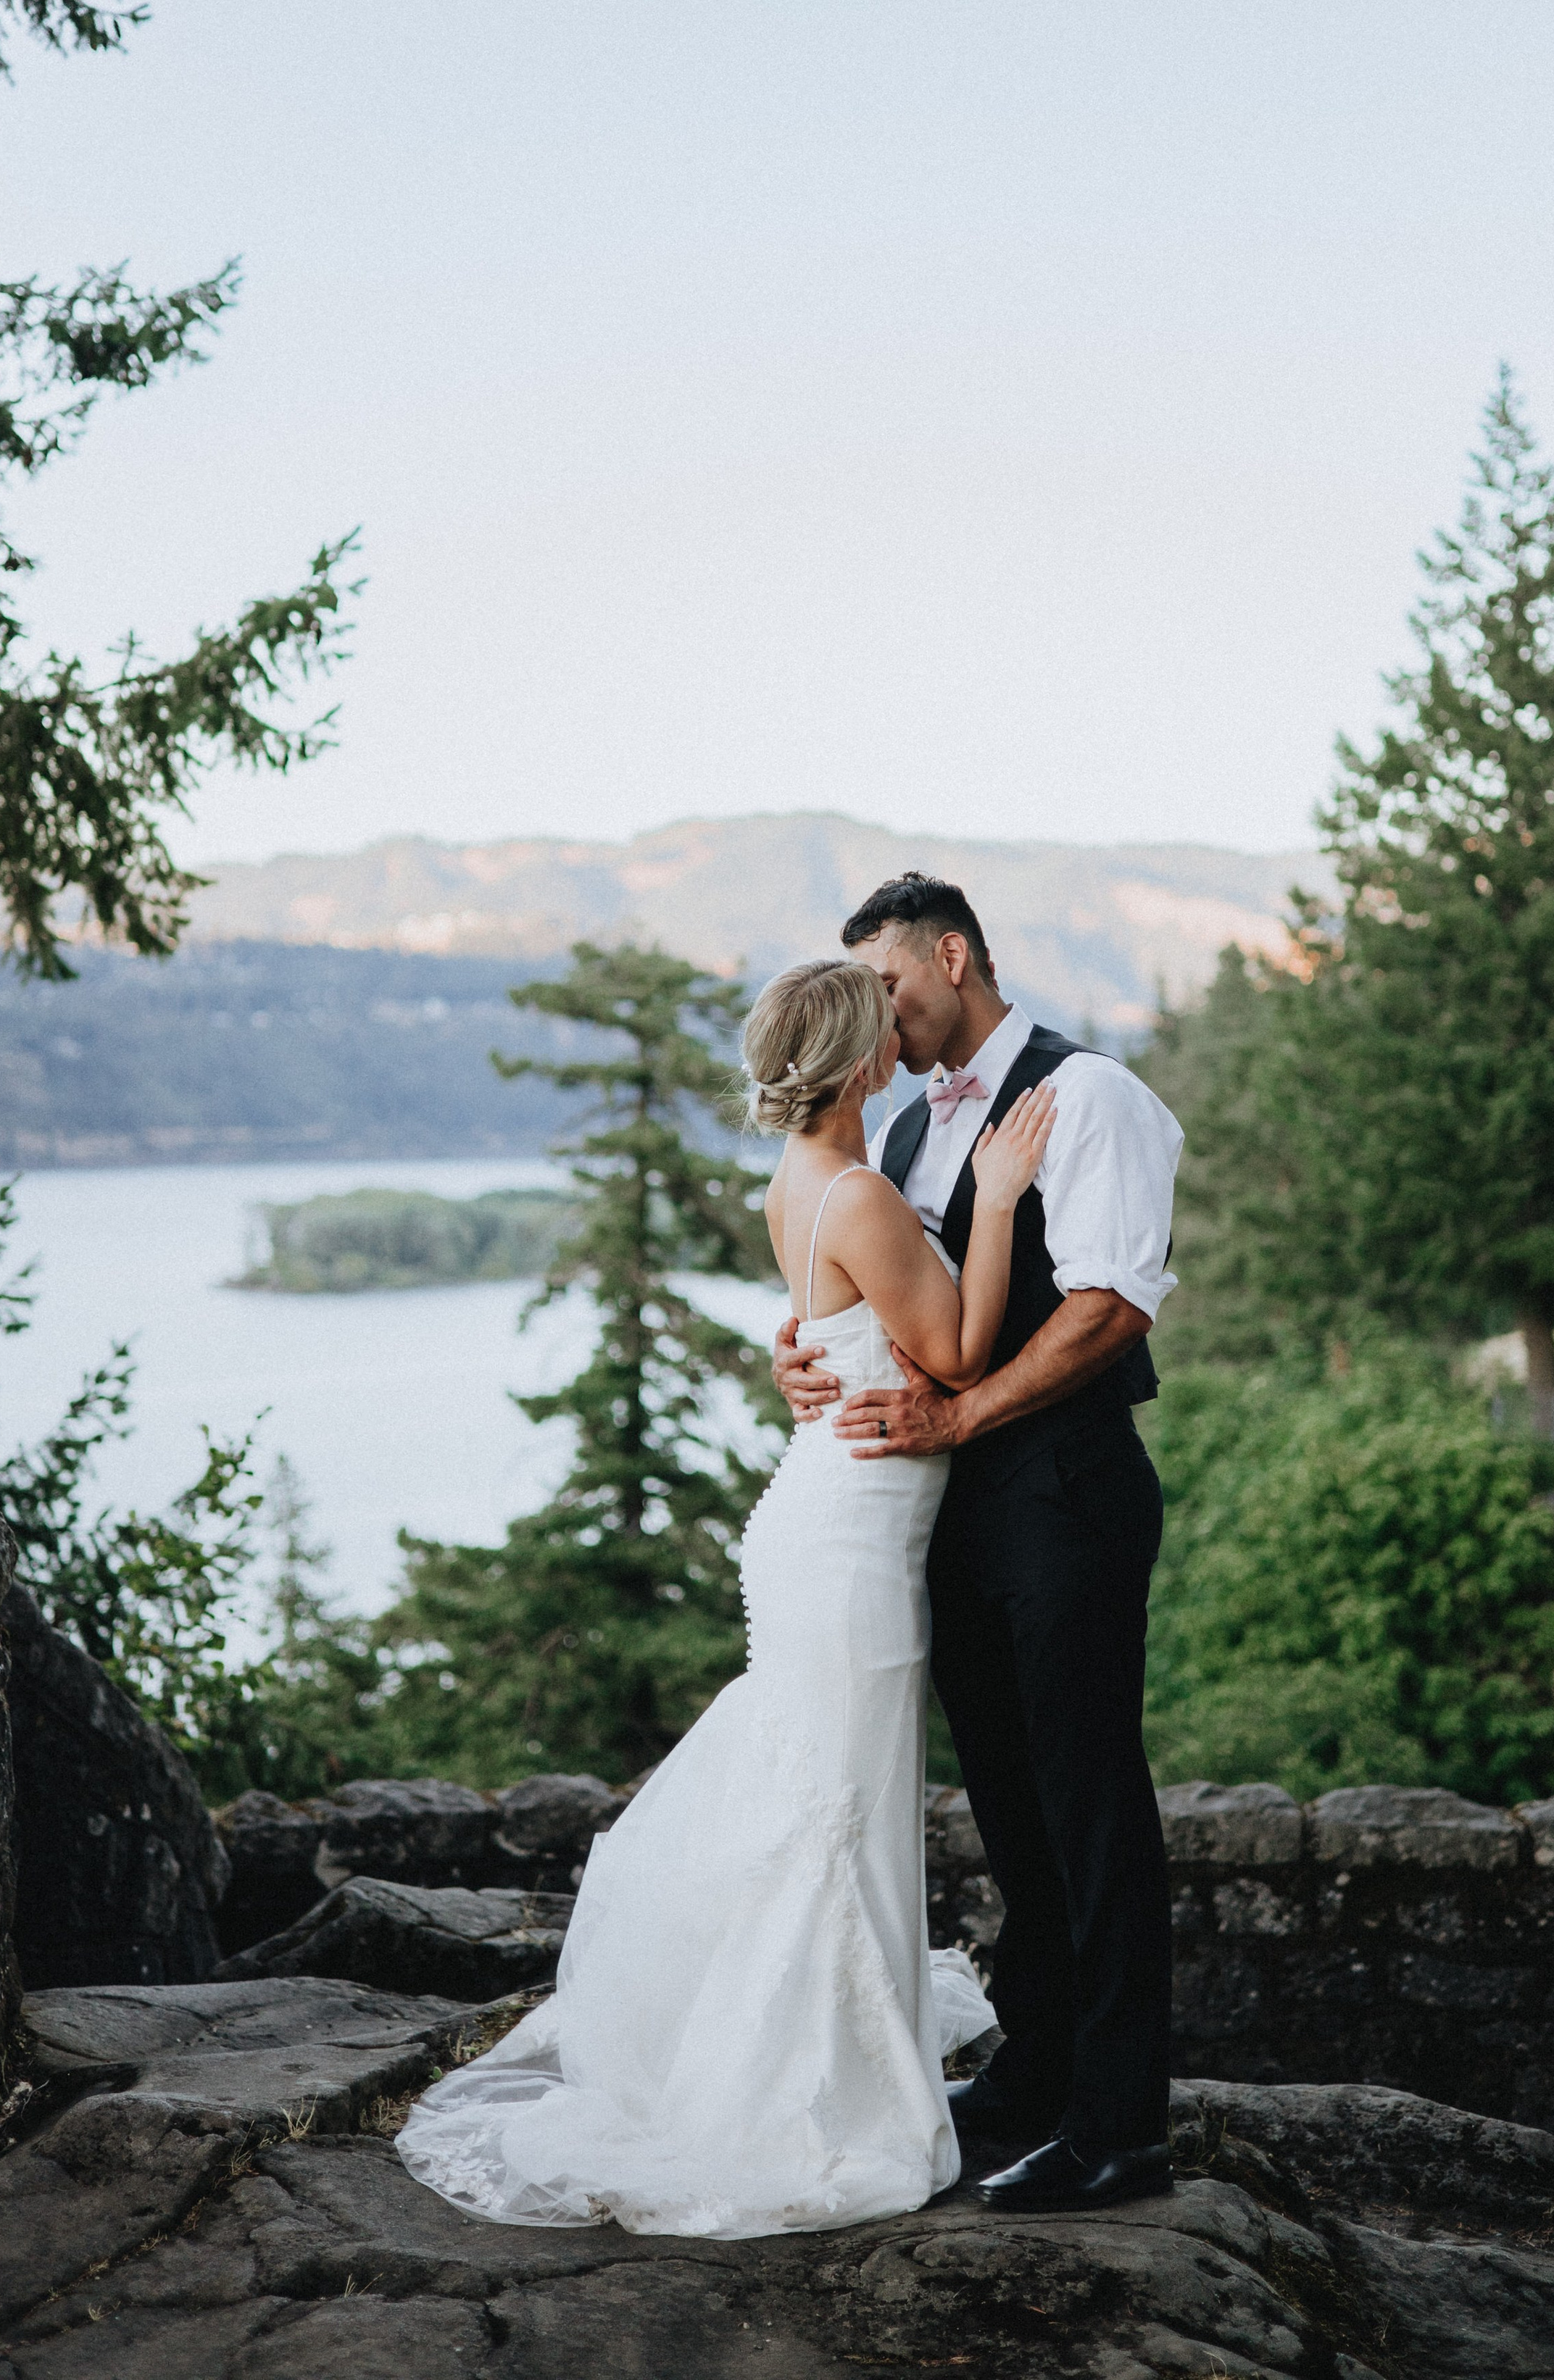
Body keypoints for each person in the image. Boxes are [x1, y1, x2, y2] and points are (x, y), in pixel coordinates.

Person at [397, 954, 1055, 2239]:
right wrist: (997, 1197)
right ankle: (807, 2104)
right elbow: (960, 1354)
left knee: (833, 1803)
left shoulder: (801, 1182)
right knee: (839, 1809)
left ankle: (831, 2068)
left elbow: (835, 1330)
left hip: (829, 1515)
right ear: (864, 1060)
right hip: (850, 1538)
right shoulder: (861, 1191)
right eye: (889, 1032)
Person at [775, 872, 1181, 2214]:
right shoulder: (898, 1139)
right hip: (951, 1522)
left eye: (890, 985)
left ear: (955, 957)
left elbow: (1113, 1307)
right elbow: (891, 1306)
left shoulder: (1092, 1098)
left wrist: (962, 1411)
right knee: (1011, 1813)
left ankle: (1122, 2128)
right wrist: (813, 1359)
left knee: (1090, 1807)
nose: (879, 1018)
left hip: (1065, 1498)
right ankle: (1036, 2072)